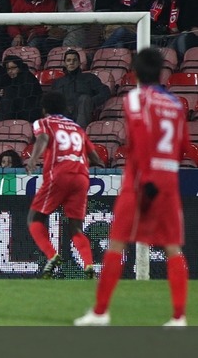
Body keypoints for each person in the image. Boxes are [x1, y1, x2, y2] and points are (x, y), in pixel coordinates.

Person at [74, 48, 190, 327]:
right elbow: (183, 146)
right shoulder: (176, 104)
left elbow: (139, 136)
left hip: (141, 180)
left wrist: (147, 177)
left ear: (134, 72)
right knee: (173, 248)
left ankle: (100, 313)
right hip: (169, 179)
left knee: (116, 244)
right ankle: (178, 317)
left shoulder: (137, 98)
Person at [26, 91, 103, 279]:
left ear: (44, 109)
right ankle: (89, 265)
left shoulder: (43, 123)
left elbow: (43, 138)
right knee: (75, 227)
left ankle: (52, 256)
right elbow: (95, 158)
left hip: (59, 174)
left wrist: (34, 158)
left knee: (34, 219)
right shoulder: (77, 128)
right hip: (82, 177)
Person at [51, 50, 110, 129]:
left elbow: (105, 91)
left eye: (74, 60)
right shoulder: (58, 82)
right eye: (68, 60)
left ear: (79, 63)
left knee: (84, 98)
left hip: (82, 112)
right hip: (64, 114)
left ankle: (78, 132)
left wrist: (90, 102)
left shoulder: (89, 78)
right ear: (65, 63)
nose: (71, 63)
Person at [0, 55, 42, 131]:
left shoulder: (28, 78)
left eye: (13, 68)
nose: (10, 71)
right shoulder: (8, 78)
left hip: (29, 113)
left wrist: (7, 92)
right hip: (14, 111)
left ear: (19, 67)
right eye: (8, 69)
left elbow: (26, 97)